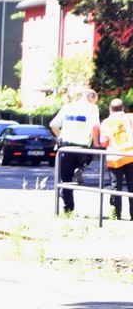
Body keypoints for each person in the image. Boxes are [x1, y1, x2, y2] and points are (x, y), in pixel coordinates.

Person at [50, 86, 100, 214]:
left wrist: (60, 136)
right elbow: (95, 127)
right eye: (96, 100)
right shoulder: (92, 108)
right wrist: (96, 143)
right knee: (80, 165)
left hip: (66, 147)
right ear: (91, 97)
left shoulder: (67, 106)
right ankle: (79, 169)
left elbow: (53, 125)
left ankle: (68, 209)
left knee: (65, 179)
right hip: (82, 146)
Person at [95, 98, 133, 220]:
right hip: (131, 157)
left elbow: (103, 142)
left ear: (110, 109)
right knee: (132, 187)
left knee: (116, 187)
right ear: (123, 108)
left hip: (114, 158)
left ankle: (116, 215)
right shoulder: (131, 117)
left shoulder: (106, 122)